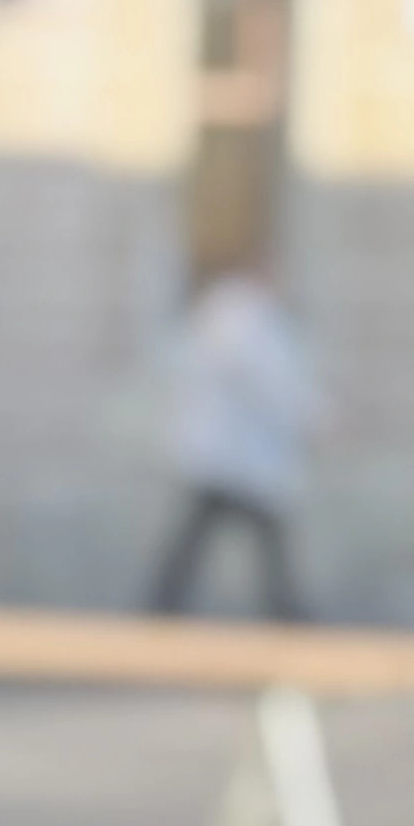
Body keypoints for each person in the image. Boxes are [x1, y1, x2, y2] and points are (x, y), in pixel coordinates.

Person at [152, 256, 319, 620]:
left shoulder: (223, 317)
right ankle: (288, 613)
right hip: (236, 456)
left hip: (224, 454)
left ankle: (164, 607)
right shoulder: (245, 320)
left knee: (198, 538)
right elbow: (273, 383)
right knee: (260, 537)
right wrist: (315, 420)